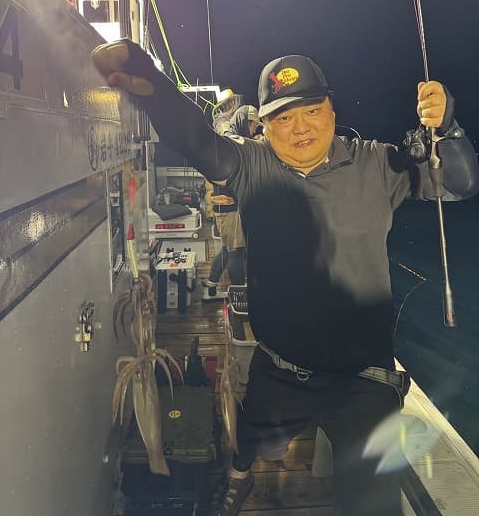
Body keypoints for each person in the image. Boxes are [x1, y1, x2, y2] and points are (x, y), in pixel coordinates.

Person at [92, 40, 479, 516]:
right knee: (255, 441)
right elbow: (198, 141)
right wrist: (150, 84)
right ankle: (239, 477)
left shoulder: (378, 163)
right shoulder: (252, 166)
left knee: (372, 502)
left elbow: (460, 184)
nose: (300, 127)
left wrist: (448, 129)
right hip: (281, 368)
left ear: (331, 108)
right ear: (265, 125)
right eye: (283, 117)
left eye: (312, 110)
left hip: (364, 379)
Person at [202, 104, 260, 298]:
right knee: (236, 252)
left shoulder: (234, 142)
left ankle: (211, 282)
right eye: (253, 125)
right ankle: (240, 294)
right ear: (244, 122)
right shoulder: (232, 143)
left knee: (228, 249)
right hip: (229, 208)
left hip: (227, 208)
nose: (255, 130)